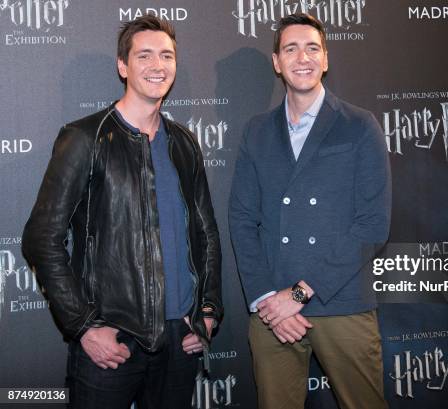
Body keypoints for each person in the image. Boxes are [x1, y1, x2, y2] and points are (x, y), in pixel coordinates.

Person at [22, 14, 222, 409]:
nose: (157, 65)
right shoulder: (84, 138)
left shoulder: (184, 143)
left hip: (180, 338)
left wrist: (209, 310)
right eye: (144, 55)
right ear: (122, 66)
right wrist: (83, 326)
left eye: (166, 56)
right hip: (112, 339)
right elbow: (41, 239)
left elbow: (206, 233)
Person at [229, 13, 391, 409]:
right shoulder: (256, 131)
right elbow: (242, 220)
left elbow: (372, 226)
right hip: (272, 313)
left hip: (342, 303)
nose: (302, 57)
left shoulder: (359, 125)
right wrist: (270, 299)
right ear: (276, 62)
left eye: (312, 48)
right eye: (291, 48)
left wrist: (299, 293)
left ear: (326, 59)